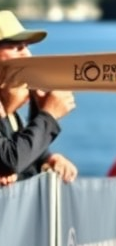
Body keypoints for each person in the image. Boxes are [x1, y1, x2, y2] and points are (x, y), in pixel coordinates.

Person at [0, 10, 77, 185]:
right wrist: (48, 116)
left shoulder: (9, 114)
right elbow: (10, 161)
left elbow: (20, 157)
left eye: (27, 47)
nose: (27, 55)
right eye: (17, 47)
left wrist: (48, 159)